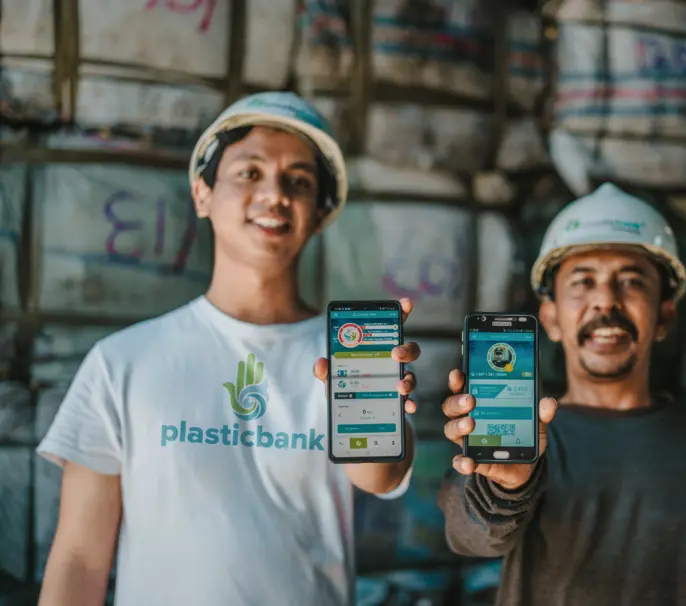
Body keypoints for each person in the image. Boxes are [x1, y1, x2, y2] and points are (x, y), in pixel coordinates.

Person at [36, 92, 421, 606]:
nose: (275, 195)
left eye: (300, 182)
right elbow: (80, 559)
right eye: (249, 172)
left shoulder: (353, 357)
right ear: (202, 194)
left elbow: (381, 477)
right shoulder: (122, 362)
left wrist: (374, 412)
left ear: (321, 212)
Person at [436, 183, 686, 605]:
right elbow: (471, 535)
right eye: (582, 283)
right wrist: (508, 490)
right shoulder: (519, 437)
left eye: (630, 282)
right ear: (550, 318)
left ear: (665, 314)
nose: (605, 303)